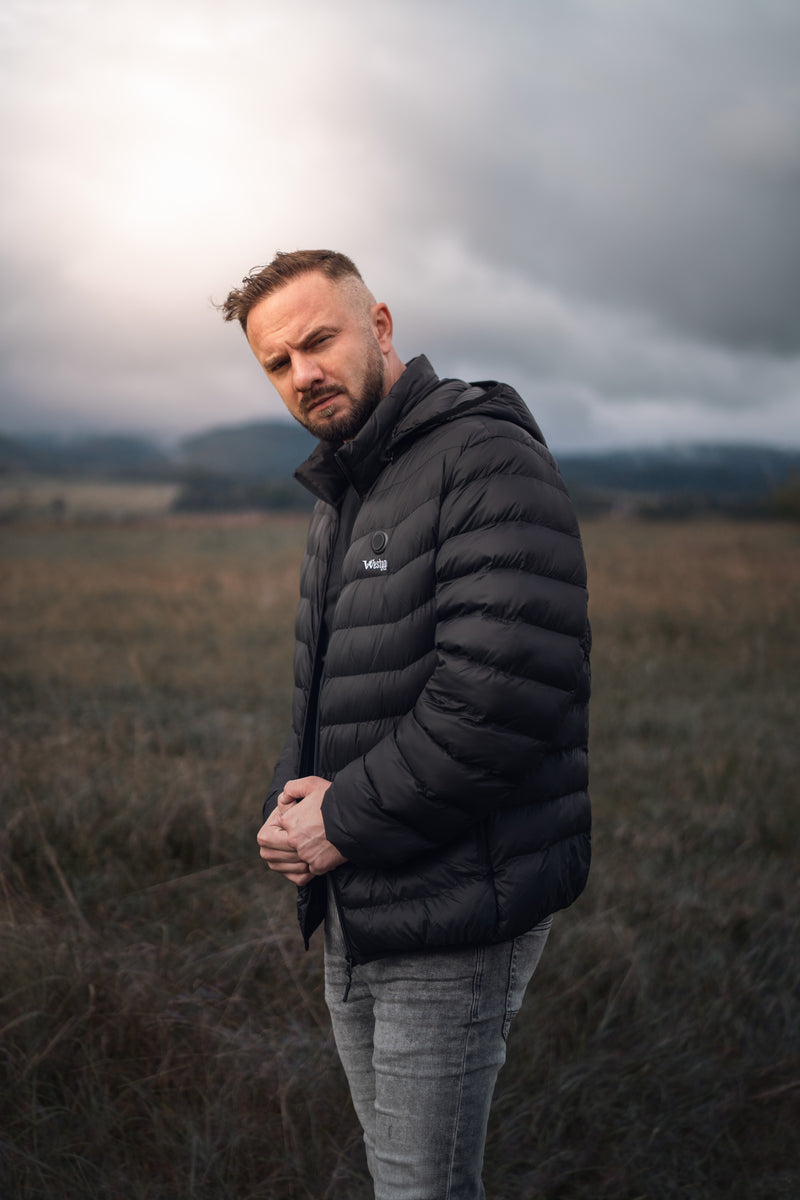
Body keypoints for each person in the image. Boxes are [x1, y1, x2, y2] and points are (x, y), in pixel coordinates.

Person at [220, 249, 591, 1200]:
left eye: (318, 341)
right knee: (397, 1175)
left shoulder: (482, 456)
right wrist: (288, 802)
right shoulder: (347, 486)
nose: (302, 373)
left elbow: (500, 697)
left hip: (459, 892)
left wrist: (336, 821)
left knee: (421, 1188)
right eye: (277, 363)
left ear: (379, 327)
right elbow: (338, 690)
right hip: (361, 891)